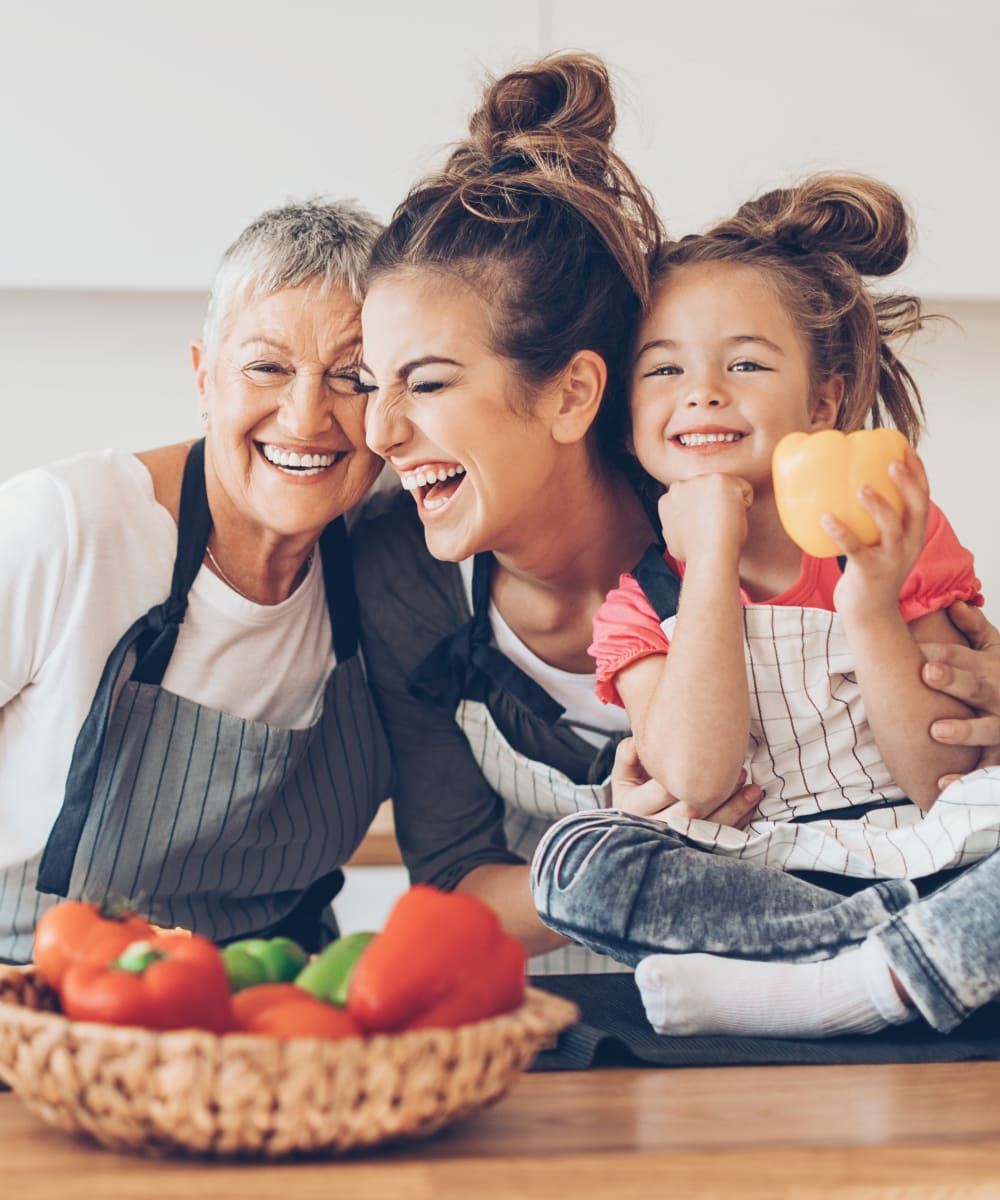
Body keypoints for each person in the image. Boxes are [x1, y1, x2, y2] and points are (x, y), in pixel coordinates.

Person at [530, 178, 1000, 1036]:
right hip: (766, 878)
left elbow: (941, 783)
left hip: (928, 851)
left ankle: (837, 989)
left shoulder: (895, 536)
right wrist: (708, 557)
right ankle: (893, 962)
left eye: (745, 364)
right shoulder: (640, 604)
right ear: (626, 409)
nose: (703, 392)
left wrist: (869, 603)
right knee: (573, 860)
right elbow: (699, 780)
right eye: (665, 368)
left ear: (823, 401)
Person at [353, 52, 762, 975]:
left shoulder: (744, 524)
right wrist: (612, 846)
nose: (380, 429)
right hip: (543, 1046)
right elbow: (455, 880)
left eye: (426, 383)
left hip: (783, 1020)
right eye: (372, 383)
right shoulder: (402, 576)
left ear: (572, 394)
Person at [0, 199, 393, 961]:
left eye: (354, 376)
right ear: (204, 376)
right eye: (266, 367)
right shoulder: (66, 528)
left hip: (273, 1007)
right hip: (29, 1007)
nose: (308, 417)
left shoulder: (399, 553)